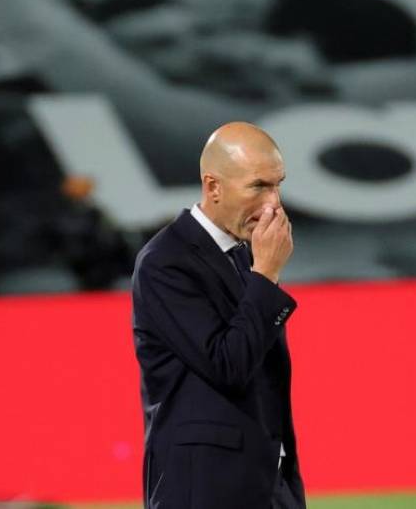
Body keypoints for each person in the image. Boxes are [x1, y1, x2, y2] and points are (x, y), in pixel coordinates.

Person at [131, 122, 305, 508]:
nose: (274, 203)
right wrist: (266, 275)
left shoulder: (244, 255)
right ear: (213, 186)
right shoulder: (165, 262)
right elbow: (227, 364)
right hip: (205, 487)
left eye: (278, 185)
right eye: (259, 186)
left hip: (266, 483)